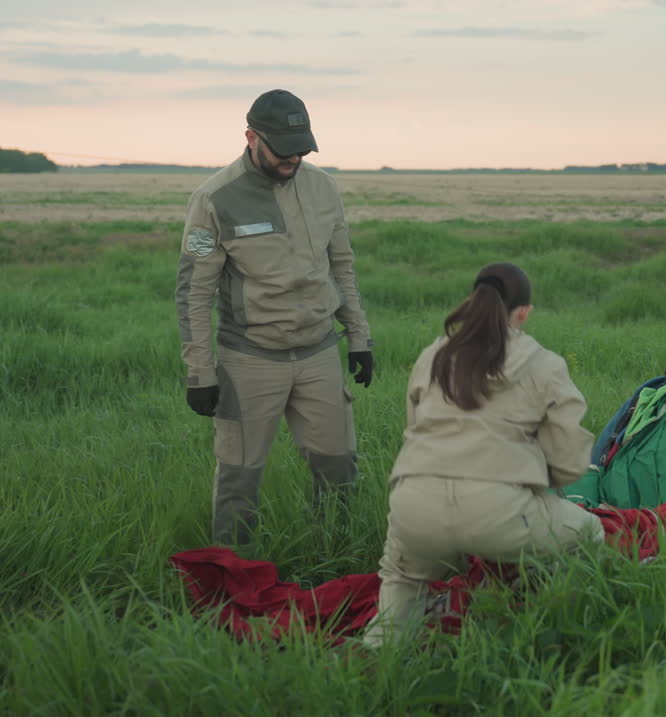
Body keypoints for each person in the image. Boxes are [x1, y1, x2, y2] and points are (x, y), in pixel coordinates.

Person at [361, 262, 604, 647]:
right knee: (590, 531)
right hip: (500, 513)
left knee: (401, 580)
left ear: (472, 301)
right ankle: (564, 628)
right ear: (524, 313)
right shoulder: (545, 364)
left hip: (415, 505)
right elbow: (569, 462)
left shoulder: (433, 355)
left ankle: (374, 664)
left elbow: (414, 431)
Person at [175, 89, 374, 546]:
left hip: (319, 351)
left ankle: (333, 554)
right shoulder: (214, 199)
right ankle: (234, 575)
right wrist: (200, 372)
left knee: (339, 466)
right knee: (239, 479)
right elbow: (193, 291)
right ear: (250, 137)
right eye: (283, 150)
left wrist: (359, 338)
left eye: (302, 149)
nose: (294, 159)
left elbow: (342, 266)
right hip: (250, 359)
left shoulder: (323, 188)